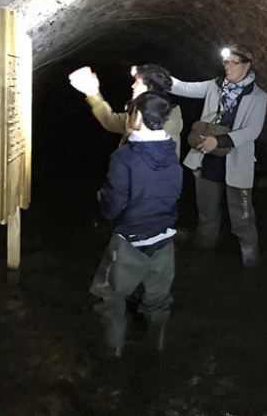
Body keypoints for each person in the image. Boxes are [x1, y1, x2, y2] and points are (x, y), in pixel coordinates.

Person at [89, 91, 183, 358]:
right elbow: (172, 192)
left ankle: (112, 357)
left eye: (130, 112)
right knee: (158, 302)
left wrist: (103, 199)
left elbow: (114, 206)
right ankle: (157, 355)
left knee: (110, 297)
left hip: (130, 242)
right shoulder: (171, 155)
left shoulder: (125, 158)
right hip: (164, 242)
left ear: (138, 117)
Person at [168, 46, 267, 268]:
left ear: (246, 65)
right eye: (226, 62)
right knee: (207, 218)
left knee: (243, 219)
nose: (228, 67)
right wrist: (162, 78)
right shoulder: (215, 86)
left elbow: (253, 130)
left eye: (234, 62)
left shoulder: (258, 96)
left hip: (237, 161)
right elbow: (185, 88)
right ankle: (203, 264)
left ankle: (251, 265)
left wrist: (220, 141)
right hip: (207, 158)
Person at [69, 64, 183, 157]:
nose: (133, 86)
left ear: (150, 88)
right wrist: (92, 92)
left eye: (137, 82)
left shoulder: (166, 121)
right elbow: (110, 121)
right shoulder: (143, 113)